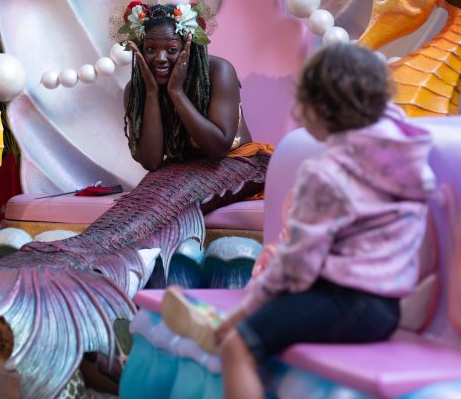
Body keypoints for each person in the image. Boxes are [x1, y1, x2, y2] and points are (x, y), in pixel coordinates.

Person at [162, 42, 436, 399]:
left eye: (300, 103)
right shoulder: (399, 153)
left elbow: (297, 265)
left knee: (236, 346)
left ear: (318, 109)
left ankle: (224, 332)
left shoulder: (328, 173)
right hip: (386, 309)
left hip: (346, 302)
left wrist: (246, 309)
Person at [121, 1, 254, 171]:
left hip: (235, 162)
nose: (160, 57)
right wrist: (151, 93)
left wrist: (176, 92)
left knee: (166, 197)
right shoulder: (135, 90)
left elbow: (218, 149)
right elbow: (151, 162)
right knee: (144, 198)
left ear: (188, 46)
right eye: (150, 48)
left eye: (171, 49)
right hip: (182, 170)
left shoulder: (219, 71)